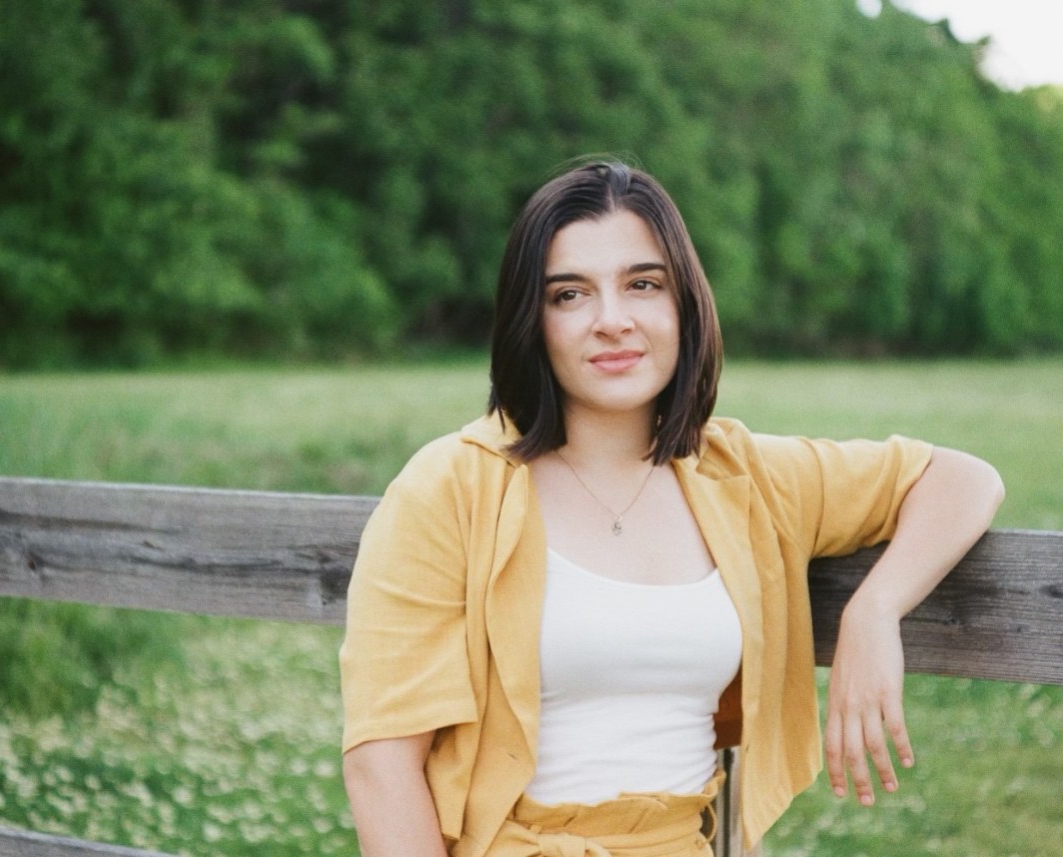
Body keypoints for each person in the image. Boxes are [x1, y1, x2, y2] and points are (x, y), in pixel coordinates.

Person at [338, 160, 1004, 857]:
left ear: (684, 303)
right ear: (530, 320)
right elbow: (382, 764)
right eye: (570, 295)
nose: (612, 321)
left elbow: (962, 480)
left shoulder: (744, 476)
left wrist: (874, 611)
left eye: (642, 284)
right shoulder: (449, 488)